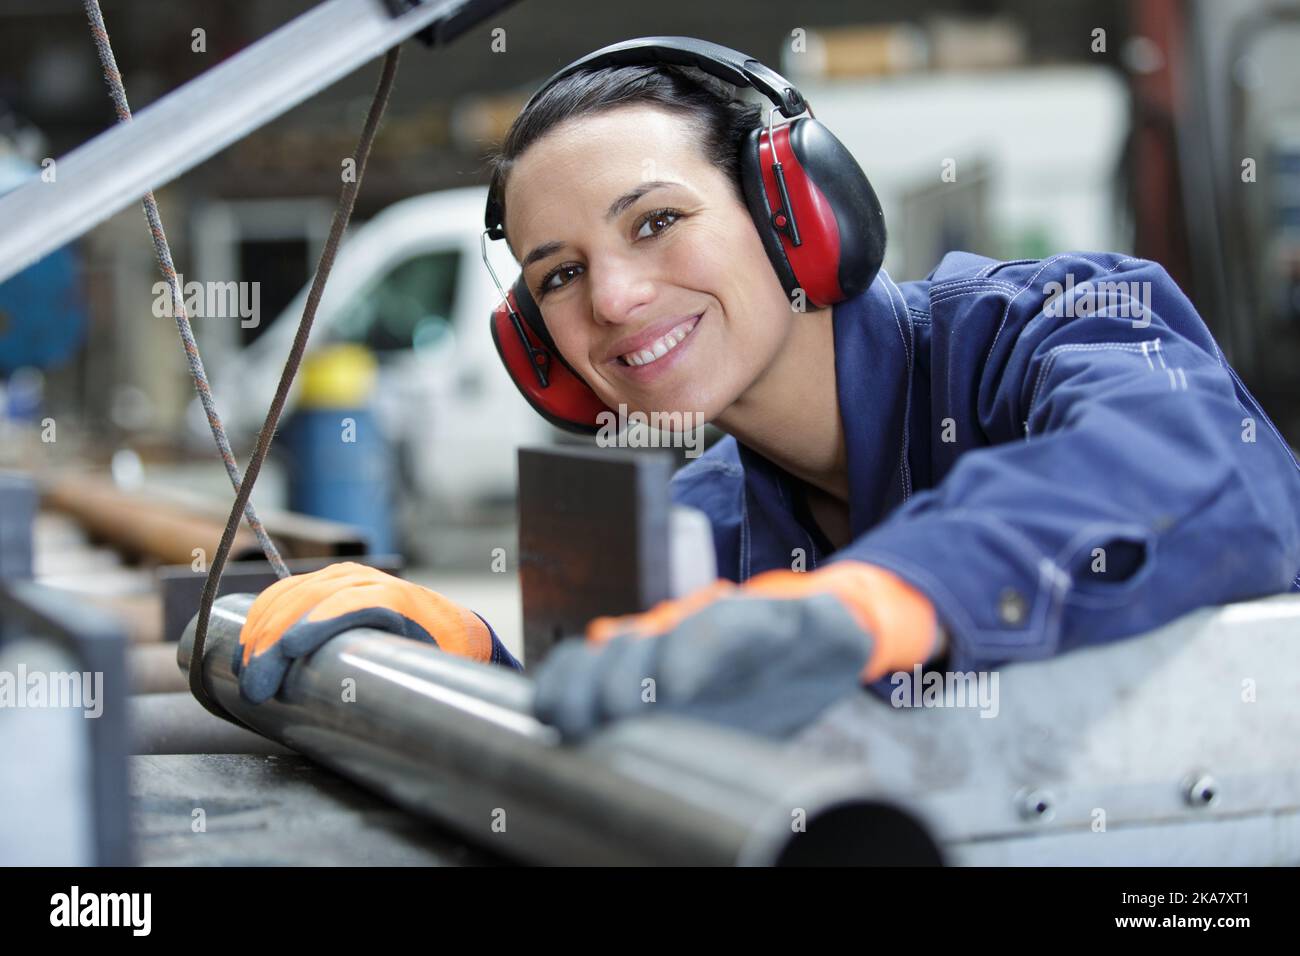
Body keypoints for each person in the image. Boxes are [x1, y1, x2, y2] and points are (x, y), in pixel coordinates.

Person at [235, 39, 1300, 742]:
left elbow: (1198, 464)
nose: (611, 296)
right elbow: (620, 727)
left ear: (798, 206)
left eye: (655, 221)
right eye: (556, 275)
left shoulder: (1044, 324)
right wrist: (467, 658)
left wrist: (883, 596)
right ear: (537, 346)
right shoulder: (700, 524)